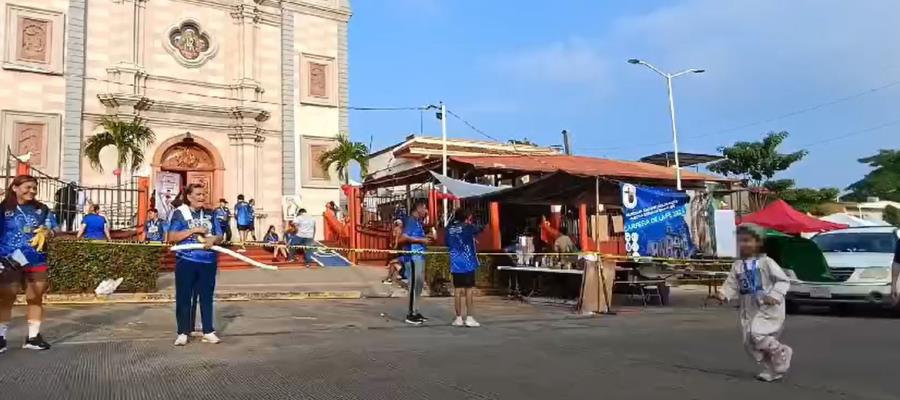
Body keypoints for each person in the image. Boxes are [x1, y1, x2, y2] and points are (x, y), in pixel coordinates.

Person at [716, 223, 793, 382]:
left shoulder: (766, 262)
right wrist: (724, 294)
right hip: (749, 307)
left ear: (758, 242)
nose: (743, 244)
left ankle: (782, 352)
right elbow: (732, 283)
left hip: (768, 306)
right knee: (750, 342)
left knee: (757, 333)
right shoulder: (738, 265)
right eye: (740, 241)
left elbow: (783, 280)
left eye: (747, 240)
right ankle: (772, 369)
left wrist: (775, 295)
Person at [0, 175, 58, 352]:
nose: (32, 191)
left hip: (36, 258)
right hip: (9, 259)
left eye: (34, 188)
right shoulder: (3, 210)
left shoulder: (42, 209)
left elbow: (54, 229)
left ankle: (33, 337)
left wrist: (47, 232)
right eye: (27, 187)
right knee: (6, 298)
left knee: (36, 297)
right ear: (15, 188)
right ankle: (1, 337)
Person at [167, 183, 223, 346]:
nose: (202, 197)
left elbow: (220, 235)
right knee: (184, 298)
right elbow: (171, 237)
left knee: (207, 297)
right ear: (189, 197)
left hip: (208, 261)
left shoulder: (211, 213)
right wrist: (193, 230)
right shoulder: (180, 213)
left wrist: (214, 239)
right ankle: (183, 332)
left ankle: (208, 331)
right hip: (187, 260)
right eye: (198, 194)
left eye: (203, 194)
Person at [446, 209, 485, 328]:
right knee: (468, 290)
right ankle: (469, 317)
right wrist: (473, 222)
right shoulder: (468, 227)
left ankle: (458, 318)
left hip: (456, 262)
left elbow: (447, 243)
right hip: (468, 262)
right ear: (466, 217)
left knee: (457, 290)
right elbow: (480, 228)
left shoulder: (450, 229)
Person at [400, 200, 433, 325]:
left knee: (419, 286)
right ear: (418, 208)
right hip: (413, 257)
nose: (426, 211)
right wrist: (421, 240)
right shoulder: (411, 221)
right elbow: (403, 238)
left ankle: (416, 311)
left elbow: (417, 237)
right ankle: (410, 314)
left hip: (420, 257)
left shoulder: (418, 222)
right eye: (424, 208)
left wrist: (427, 238)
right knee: (413, 286)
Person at [383, 219, 404, 285]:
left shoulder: (397, 229)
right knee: (396, 260)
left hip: (398, 246)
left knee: (394, 260)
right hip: (400, 247)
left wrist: (395, 244)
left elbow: (396, 237)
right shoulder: (402, 230)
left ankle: (390, 278)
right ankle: (396, 275)